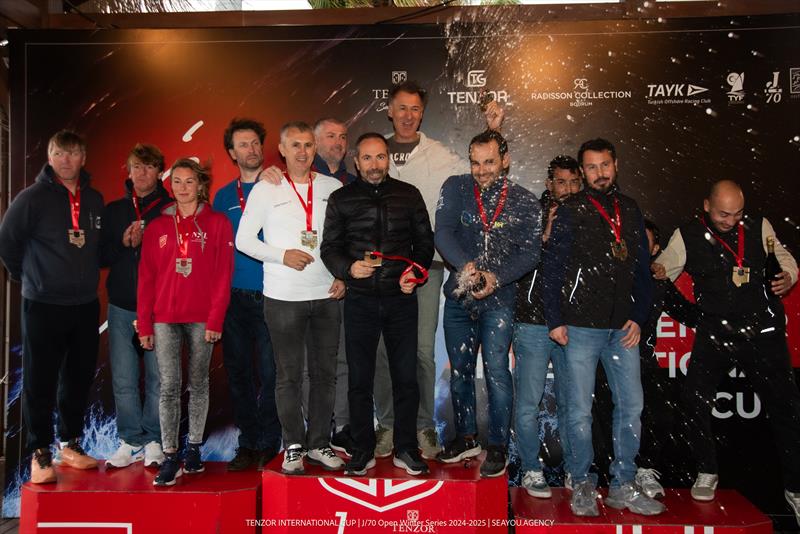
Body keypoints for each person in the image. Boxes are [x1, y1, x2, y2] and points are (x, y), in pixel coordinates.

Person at [652, 180, 800, 524]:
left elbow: (784, 258)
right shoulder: (688, 234)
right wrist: (658, 269)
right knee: (692, 399)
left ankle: (795, 488)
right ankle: (707, 470)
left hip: (763, 334)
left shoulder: (759, 225)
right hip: (715, 334)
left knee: (787, 410)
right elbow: (667, 265)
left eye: (737, 214)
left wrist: (789, 275)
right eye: (723, 214)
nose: (731, 221)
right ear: (706, 206)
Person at [372, 80, 505, 460]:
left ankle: (422, 426)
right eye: (401, 108)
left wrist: (493, 130)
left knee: (422, 351)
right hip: (379, 269)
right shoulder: (374, 152)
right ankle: (387, 425)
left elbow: (483, 174)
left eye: (415, 109)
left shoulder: (440, 155)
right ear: (389, 110)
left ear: (422, 113)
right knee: (382, 349)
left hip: (425, 267)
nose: (408, 115)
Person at [542, 138, 664, 516]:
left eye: (605, 165)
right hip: (580, 326)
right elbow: (552, 267)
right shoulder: (571, 209)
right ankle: (581, 482)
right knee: (579, 410)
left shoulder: (630, 209)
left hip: (622, 329)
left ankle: (623, 484)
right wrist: (555, 319)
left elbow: (641, 269)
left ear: (616, 165)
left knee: (631, 405)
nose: (600, 173)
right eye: (592, 167)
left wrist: (638, 316)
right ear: (582, 172)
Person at [321, 132, 434, 476]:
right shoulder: (340, 199)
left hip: (401, 300)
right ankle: (362, 448)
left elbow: (424, 245)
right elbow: (329, 248)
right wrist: (348, 268)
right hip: (360, 300)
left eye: (380, 157)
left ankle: (406, 448)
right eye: (367, 158)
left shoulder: (409, 195)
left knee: (406, 377)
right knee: (359, 379)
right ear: (356, 162)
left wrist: (414, 273)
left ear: (389, 159)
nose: (374, 165)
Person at [236, 121, 345, 475]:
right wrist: (281, 255)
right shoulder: (266, 188)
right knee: (288, 376)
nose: (302, 151)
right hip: (283, 297)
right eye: (295, 145)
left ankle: (319, 443)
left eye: (308, 145)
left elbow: (344, 238)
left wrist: (342, 274)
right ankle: (293, 446)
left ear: (316, 149)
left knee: (325, 375)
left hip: (326, 295)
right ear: (282, 150)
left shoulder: (332, 187)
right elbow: (243, 240)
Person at [435, 130, 541, 478]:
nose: (481, 170)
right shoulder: (455, 187)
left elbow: (531, 253)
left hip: (500, 299)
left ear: (505, 160)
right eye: (475, 163)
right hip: (459, 296)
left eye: (490, 162)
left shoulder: (524, 200)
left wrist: (496, 277)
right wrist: (466, 267)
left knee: (497, 371)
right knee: (460, 371)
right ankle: (466, 437)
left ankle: (497, 444)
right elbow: (443, 233)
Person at [0, 130, 103, 484]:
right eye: (59, 153)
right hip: (43, 304)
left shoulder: (94, 199)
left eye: (72, 153)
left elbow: (97, 250)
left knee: (77, 378)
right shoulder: (31, 198)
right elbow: (7, 240)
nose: (65, 160)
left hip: (84, 305)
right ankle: (40, 451)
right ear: (49, 157)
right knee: (39, 381)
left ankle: (69, 444)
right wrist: (26, 276)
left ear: (83, 158)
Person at [137, 158, 234, 486]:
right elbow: (146, 278)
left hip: (202, 318)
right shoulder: (157, 227)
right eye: (176, 181)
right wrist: (145, 324)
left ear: (200, 185)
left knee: (199, 384)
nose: (182, 187)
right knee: (168, 386)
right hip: (164, 318)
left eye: (189, 181)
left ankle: (193, 450)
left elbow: (223, 275)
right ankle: (170, 455)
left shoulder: (217, 223)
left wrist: (216, 318)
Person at [213, 118, 281, 471]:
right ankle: (248, 442)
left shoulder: (279, 186)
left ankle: (270, 441)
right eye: (243, 144)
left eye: (256, 143)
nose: (252, 149)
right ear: (232, 153)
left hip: (271, 292)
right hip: (233, 298)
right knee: (239, 374)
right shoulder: (223, 196)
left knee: (271, 374)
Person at [513, 155, 581, 497]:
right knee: (528, 403)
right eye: (561, 182)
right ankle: (530, 469)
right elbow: (516, 260)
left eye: (574, 182)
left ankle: (575, 471)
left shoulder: (588, 216)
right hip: (533, 322)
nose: (567, 189)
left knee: (573, 404)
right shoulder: (530, 213)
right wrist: (545, 234)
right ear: (548, 184)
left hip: (574, 325)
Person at [100, 143, 172, 469]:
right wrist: (123, 243)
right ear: (128, 172)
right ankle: (130, 439)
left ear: (159, 172)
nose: (142, 173)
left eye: (149, 167)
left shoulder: (170, 209)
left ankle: (154, 439)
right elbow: (100, 257)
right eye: (136, 167)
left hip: (159, 308)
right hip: (122, 306)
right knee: (124, 379)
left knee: (159, 378)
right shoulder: (114, 210)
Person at [312, 118, 357, 185]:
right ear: (315, 141)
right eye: (331, 136)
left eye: (342, 137)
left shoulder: (354, 183)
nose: (338, 142)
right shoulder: (301, 178)